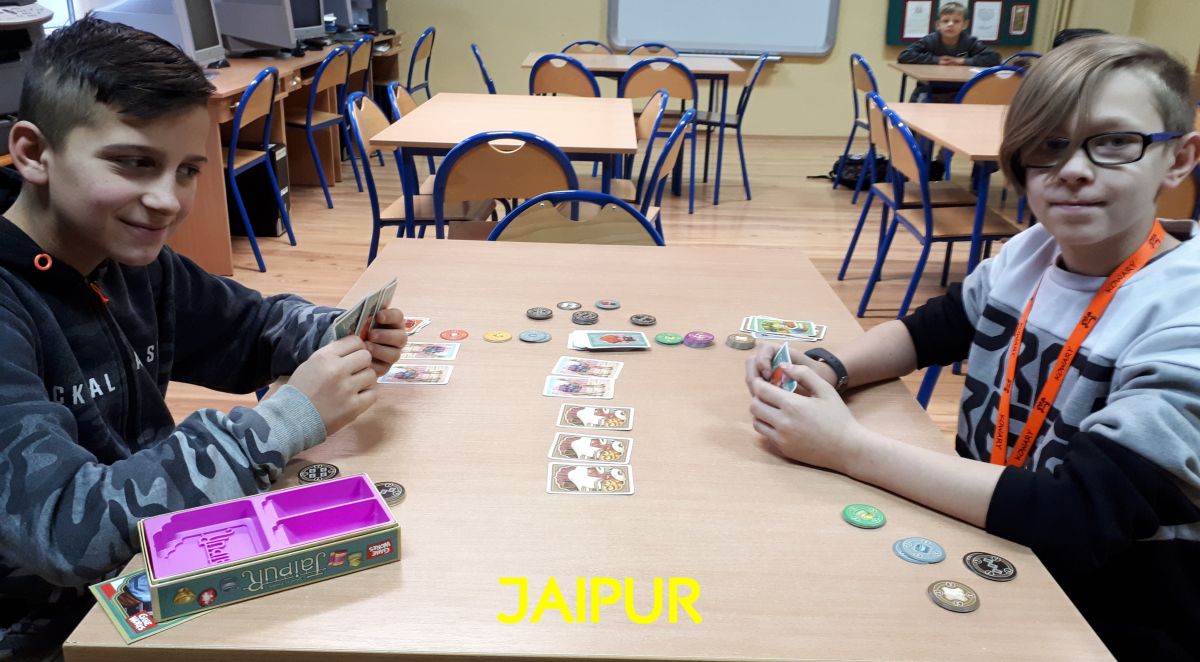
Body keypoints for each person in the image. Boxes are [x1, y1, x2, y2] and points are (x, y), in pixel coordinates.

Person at [747, 35, 1199, 661]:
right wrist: (831, 365)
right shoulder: (1031, 252)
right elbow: (932, 328)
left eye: (1115, 142)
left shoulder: (1184, 319)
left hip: (1113, 614)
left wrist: (846, 448)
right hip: (991, 535)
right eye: (1049, 145)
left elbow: (1076, 517)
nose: (1072, 168)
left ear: (1179, 159)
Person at [0, 17, 408, 658]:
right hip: (50, 626)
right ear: (32, 153)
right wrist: (283, 422)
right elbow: (65, 529)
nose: (167, 200)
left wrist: (338, 333)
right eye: (134, 163)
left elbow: (248, 328)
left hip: (152, 568)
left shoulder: (126, 257)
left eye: (187, 170)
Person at [898, 1, 1001, 102]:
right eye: (945, 21)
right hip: (929, 89)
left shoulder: (969, 41)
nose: (950, 24)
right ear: (938, 25)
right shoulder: (930, 40)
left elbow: (994, 58)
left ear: (964, 25)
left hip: (960, 90)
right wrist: (936, 60)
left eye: (956, 21)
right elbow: (904, 56)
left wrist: (963, 61)